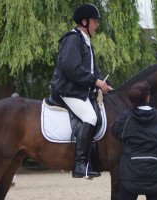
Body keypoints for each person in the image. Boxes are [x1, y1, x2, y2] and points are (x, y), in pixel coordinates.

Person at [49, 3, 112, 179]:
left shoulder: (86, 41)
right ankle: (79, 165)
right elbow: (71, 68)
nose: (97, 25)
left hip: (79, 90)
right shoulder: (73, 39)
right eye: (95, 21)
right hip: (67, 90)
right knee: (90, 117)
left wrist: (104, 84)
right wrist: (94, 81)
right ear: (84, 21)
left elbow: (94, 70)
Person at [111, 81, 157, 200]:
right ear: (148, 97)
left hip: (130, 173)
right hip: (155, 173)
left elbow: (115, 131)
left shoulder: (126, 118)